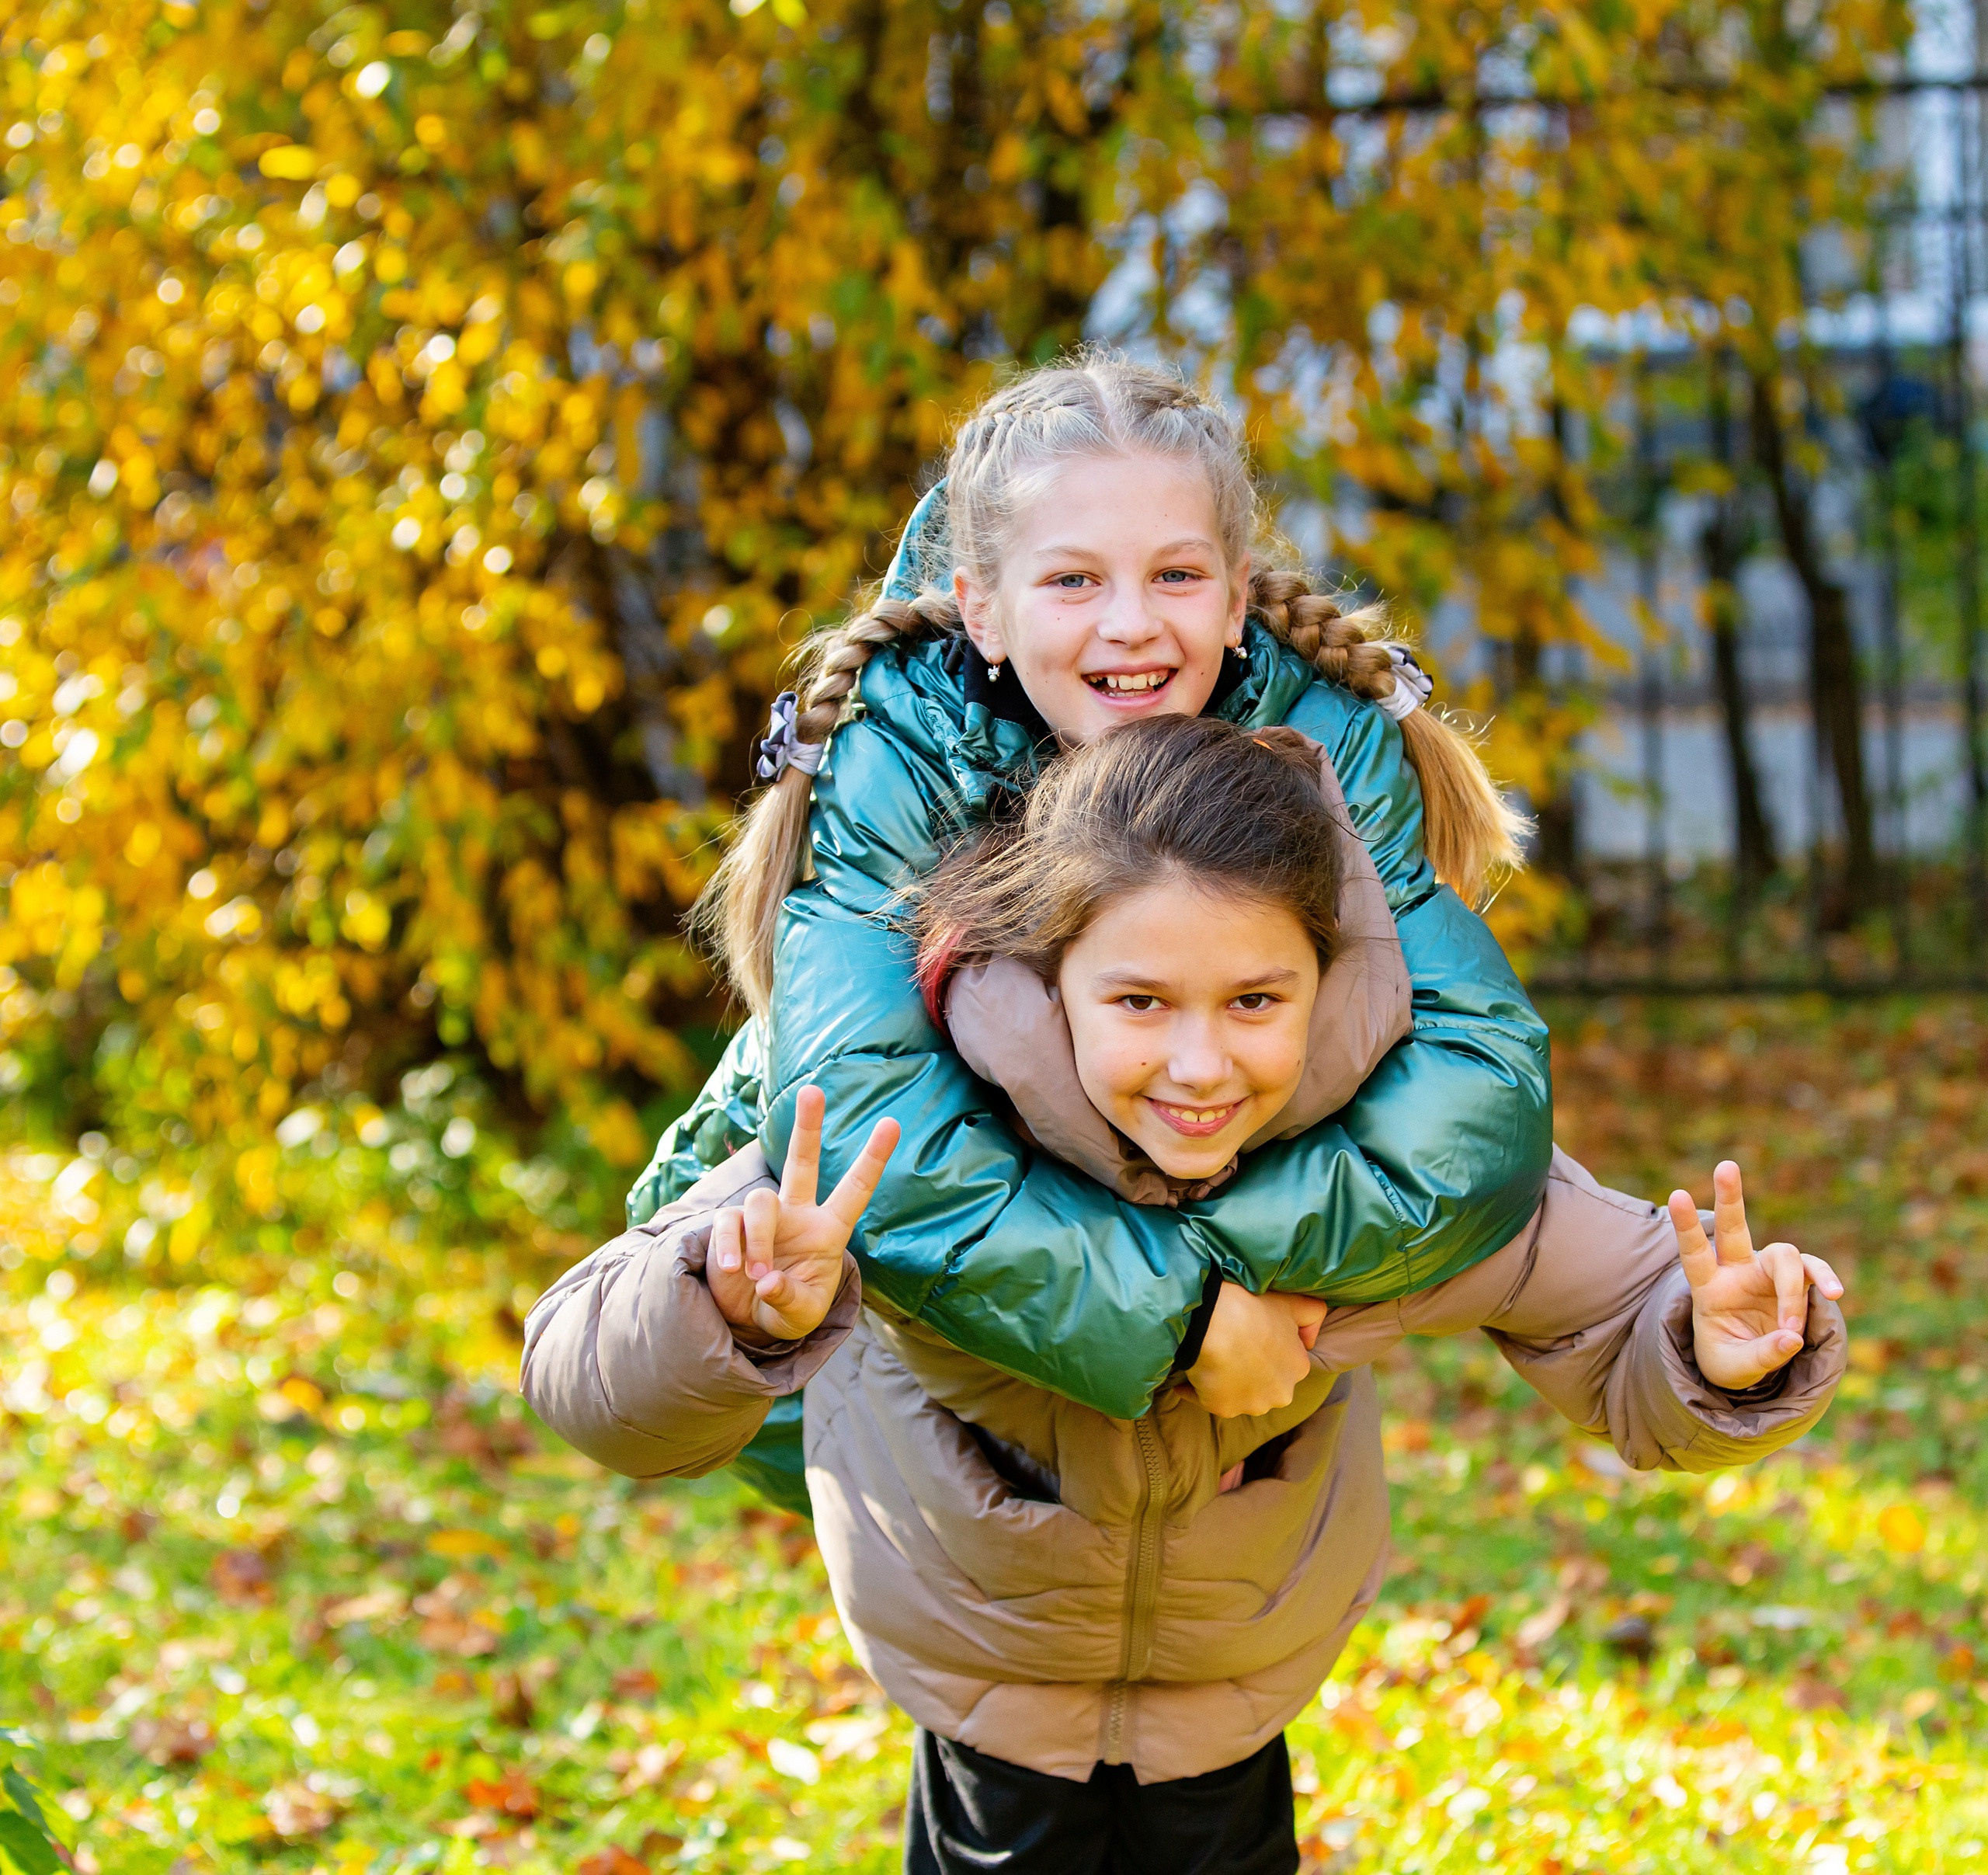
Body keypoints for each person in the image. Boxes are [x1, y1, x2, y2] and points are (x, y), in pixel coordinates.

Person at [523, 716, 1847, 1875]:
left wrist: (1717, 1355)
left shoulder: (1390, 1157)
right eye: (1141, 1001)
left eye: (1256, 998)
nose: (1201, 1062)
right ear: (1050, 983)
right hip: (988, 1685)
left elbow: (1606, 1316)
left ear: (1326, 985)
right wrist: (735, 1305)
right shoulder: (904, 1137)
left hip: (1237, 1689)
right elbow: (591, 1382)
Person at [625, 352, 1552, 1497]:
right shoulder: (899, 755)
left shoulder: (1326, 738)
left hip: (1211, 1429)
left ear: (1232, 591)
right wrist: (1186, 1306)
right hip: (899, 1403)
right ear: (984, 607)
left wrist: (1215, 1279)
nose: (1131, 625)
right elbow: (876, 1124)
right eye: (1073, 581)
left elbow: (1479, 1087)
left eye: (1174, 575)